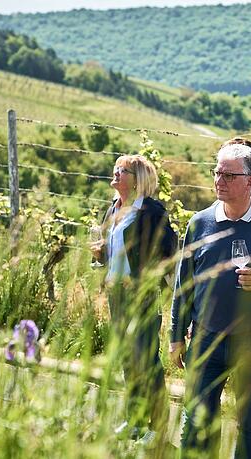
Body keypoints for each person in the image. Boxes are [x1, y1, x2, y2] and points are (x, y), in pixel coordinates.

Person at [169, 142, 251, 459]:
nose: (220, 180)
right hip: (205, 337)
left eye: (229, 175)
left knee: (250, 425)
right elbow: (183, 285)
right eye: (217, 172)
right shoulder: (199, 223)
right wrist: (176, 336)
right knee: (198, 420)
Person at [91, 154, 177, 442]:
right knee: (130, 361)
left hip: (143, 295)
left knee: (147, 361)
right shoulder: (112, 209)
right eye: (115, 168)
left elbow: (168, 253)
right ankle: (136, 420)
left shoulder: (151, 212)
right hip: (117, 295)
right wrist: (100, 254)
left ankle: (158, 428)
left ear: (137, 179)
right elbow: (111, 254)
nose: (115, 173)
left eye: (122, 170)